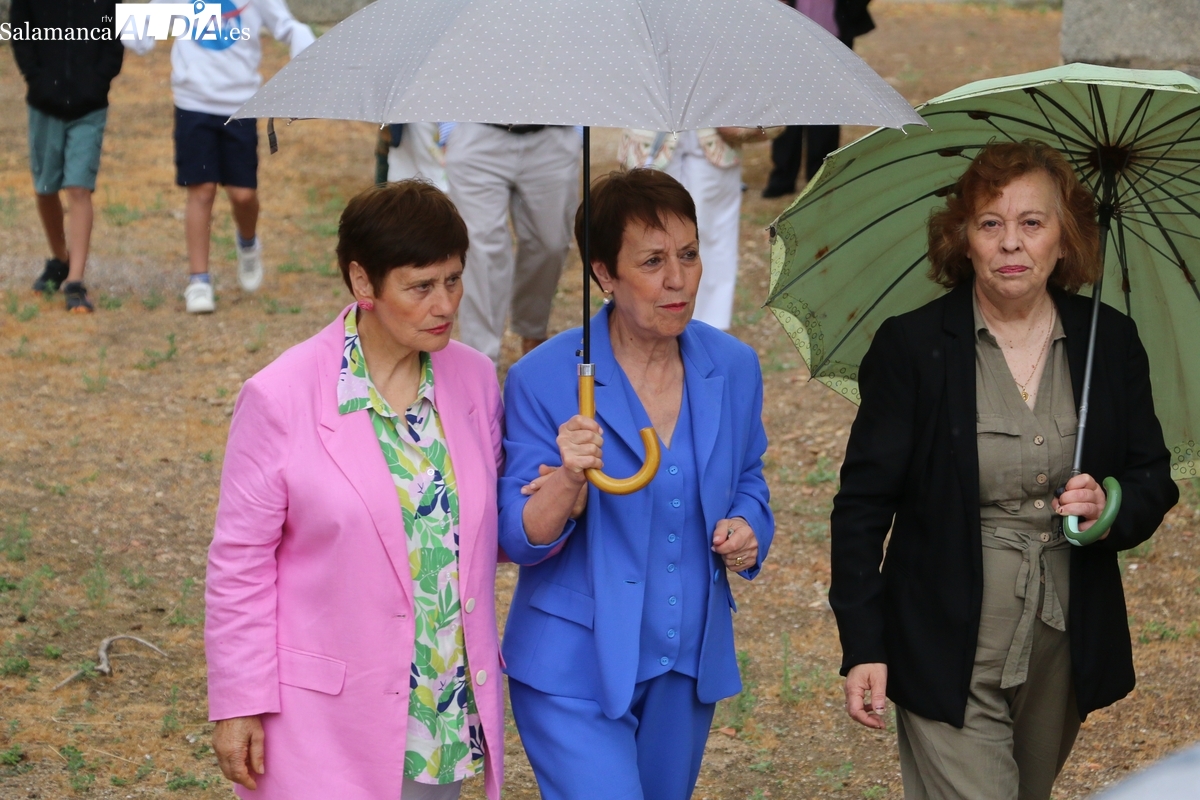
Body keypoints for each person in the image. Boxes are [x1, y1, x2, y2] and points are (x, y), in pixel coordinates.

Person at [829, 140, 1179, 800]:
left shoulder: (1109, 341)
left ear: (1064, 239)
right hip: (941, 637)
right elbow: (861, 509)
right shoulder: (913, 347)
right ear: (963, 239)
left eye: (1032, 222)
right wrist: (863, 643)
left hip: (1064, 637)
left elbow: (1151, 475)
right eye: (990, 223)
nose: (1010, 242)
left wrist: (1107, 508)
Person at [205, 181, 506, 800]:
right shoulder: (279, 396)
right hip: (319, 722)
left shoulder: (475, 380)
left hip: (441, 709)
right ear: (363, 281)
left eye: (453, 280)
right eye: (420, 287)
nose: (444, 304)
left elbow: (484, 532)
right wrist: (239, 700)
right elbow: (240, 562)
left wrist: (563, 484)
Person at [498, 168, 774, 800]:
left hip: (685, 662)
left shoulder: (732, 366)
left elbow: (748, 477)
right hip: (572, 666)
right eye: (652, 261)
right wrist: (568, 479)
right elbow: (518, 534)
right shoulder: (543, 378)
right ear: (605, 273)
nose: (678, 279)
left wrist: (748, 524)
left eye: (689, 255)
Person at [122, 0, 315, 313]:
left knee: (243, 195)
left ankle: (248, 243)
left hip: (240, 104)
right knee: (202, 190)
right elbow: (143, 27)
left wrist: (301, 43)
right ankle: (199, 280)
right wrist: (125, 25)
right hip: (193, 103)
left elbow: (286, 26)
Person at [10, 0, 124, 313]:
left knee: (78, 188)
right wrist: (37, 80)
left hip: (90, 107)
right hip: (44, 103)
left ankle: (75, 281)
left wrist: (98, 80)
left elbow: (115, 37)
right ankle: (61, 259)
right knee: (45, 188)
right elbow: (21, 33)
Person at [444, 123, 580, 364]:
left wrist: (577, 132)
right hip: (478, 129)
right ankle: (481, 362)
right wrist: (449, 129)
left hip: (552, 132)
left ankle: (533, 330)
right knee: (479, 250)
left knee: (551, 244)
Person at [619, 128, 770, 331]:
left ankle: (708, 330)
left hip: (715, 137)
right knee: (647, 237)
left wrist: (746, 125)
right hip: (650, 134)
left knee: (714, 239)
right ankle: (647, 321)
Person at [762, 0, 875, 199]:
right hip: (788, 33)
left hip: (832, 32)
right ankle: (783, 175)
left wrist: (850, 11)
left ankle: (821, 176)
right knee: (787, 103)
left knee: (827, 107)